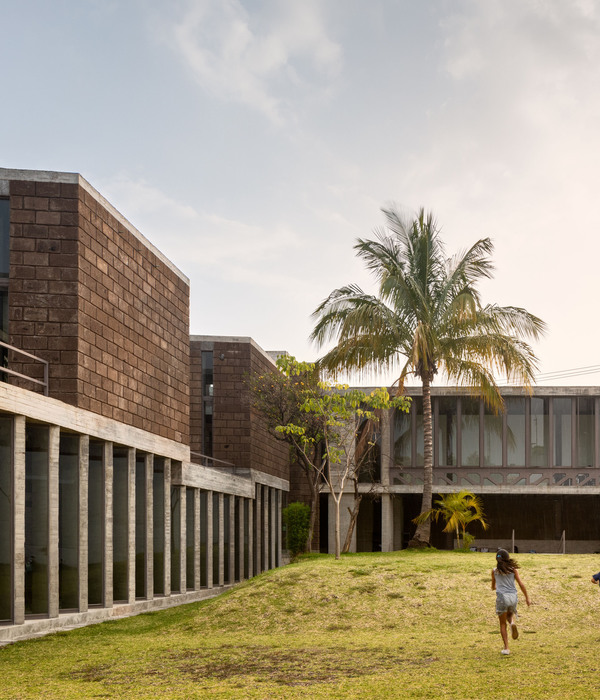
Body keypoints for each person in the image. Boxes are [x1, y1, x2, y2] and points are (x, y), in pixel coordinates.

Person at [491, 548, 531, 655]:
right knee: (509, 616)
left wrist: (497, 586)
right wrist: (527, 598)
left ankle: (506, 648)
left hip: (502, 598)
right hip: (513, 597)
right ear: (507, 558)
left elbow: (493, 587)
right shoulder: (513, 570)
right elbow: (521, 584)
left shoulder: (495, 571)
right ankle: (512, 622)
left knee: (502, 624)